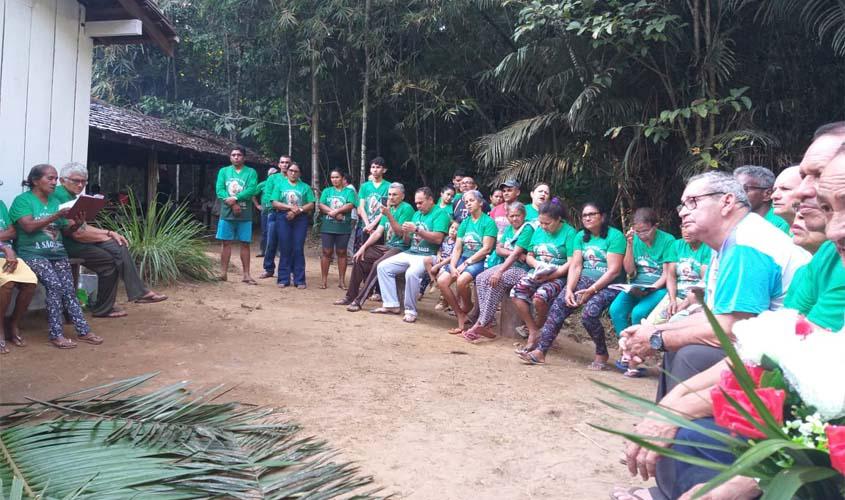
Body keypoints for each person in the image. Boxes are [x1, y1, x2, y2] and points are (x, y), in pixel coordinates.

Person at [621, 172, 810, 399]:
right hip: (765, 345)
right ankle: (668, 416)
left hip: (793, 359)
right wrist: (655, 331)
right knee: (676, 348)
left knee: (691, 355)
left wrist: (656, 339)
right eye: (682, 205)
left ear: (727, 202)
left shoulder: (747, 245)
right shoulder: (728, 243)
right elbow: (713, 315)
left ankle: (678, 418)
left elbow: (734, 329)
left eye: (693, 202)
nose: (682, 212)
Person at [516, 202, 625, 368]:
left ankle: (601, 353)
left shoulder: (615, 236)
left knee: (589, 314)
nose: (587, 218)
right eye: (584, 215)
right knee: (558, 306)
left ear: (602, 216)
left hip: (610, 285)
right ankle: (540, 352)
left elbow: (614, 271)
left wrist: (592, 290)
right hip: (585, 280)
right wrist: (568, 289)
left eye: (592, 214)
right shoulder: (581, 236)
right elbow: (576, 266)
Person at [53, 163, 167, 318]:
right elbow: (77, 234)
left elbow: (83, 227)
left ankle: (108, 307)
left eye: (84, 181)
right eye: (76, 181)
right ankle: (135, 294)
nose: (80, 185)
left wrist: (109, 232)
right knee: (114, 251)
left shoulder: (71, 195)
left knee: (114, 250)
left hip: (76, 241)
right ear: (62, 180)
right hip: (65, 244)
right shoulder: (60, 196)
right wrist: (106, 235)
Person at [10, 164, 103, 349]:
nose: (54, 182)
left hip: (57, 252)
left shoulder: (55, 201)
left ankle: (83, 331)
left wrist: (77, 224)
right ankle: (56, 335)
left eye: (55, 178)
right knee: (55, 285)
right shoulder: (23, 200)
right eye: (50, 178)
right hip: (32, 253)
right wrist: (55, 216)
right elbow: (28, 227)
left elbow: (66, 230)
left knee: (69, 289)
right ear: (35, 181)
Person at [781, 123, 845, 332]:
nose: (800, 191)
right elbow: (786, 331)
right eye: (803, 176)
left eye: (820, 174)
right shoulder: (827, 251)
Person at [374, 187, 450, 323]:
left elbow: (438, 239)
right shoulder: (416, 214)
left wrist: (416, 229)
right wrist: (405, 232)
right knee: (383, 266)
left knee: (411, 273)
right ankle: (391, 304)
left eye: (421, 203)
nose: (418, 206)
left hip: (429, 256)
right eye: (416, 203)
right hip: (411, 252)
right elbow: (408, 241)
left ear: (430, 200)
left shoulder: (441, 214)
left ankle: (410, 311)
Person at [509, 199, 577, 349]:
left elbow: (572, 262)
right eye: (541, 223)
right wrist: (537, 265)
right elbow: (530, 255)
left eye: (547, 223)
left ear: (558, 219)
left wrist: (553, 274)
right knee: (516, 292)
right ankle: (533, 330)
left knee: (540, 297)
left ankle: (541, 327)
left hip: (559, 275)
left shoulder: (569, 232)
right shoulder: (539, 230)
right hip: (538, 271)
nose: (544, 227)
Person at [463, 202, 535, 342]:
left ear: (524, 215)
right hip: (509, 265)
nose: (514, 219)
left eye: (518, 215)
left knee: (496, 281)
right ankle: (486, 320)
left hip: (522, 269)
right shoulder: (509, 229)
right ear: (507, 217)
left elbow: (516, 254)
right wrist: (512, 253)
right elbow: (499, 249)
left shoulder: (527, 229)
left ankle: (481, 324)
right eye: (511, 216)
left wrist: (500, 271)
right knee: (481, 278)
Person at [335, 183, 414, 311]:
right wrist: (363, 247)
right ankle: (350, 296)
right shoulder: (389, 208)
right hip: (388, 247)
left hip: (401, 248)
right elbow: (378, 232)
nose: (391, 197)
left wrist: (388, 215)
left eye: (395, 195)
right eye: (389, 194)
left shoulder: (407, 209)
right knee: (359, 257)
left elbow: (400, 233)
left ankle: (359, 301)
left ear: (402, 196)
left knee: (378, 264)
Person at [436, 190, 497, 333]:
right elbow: (457, 248)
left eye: (471, 201)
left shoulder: (488, 222)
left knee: (461, 280)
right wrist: (452, 266)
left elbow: (486, 249)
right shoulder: (465, 222)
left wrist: (466, 263)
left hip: (481, 260)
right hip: (464, 257)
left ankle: (467, 305)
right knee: (442, 281)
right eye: (466, 202)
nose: (468, 204)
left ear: (480, 203)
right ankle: (460, 314)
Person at [608, 208, 675, 335]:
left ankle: (639, 345)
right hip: (637, 285)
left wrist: (651, 289)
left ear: (655, 226)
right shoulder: (634, 239)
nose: (642, 235)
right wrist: (629, 245)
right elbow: (629, 271)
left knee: (638, 313)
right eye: (638, 231)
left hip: (659, 287)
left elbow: (667, 274)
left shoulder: (668, 240)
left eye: (645, 231)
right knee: (615, 309)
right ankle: (625, 343)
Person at [645, 225, 711, 325]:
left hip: (697, 298)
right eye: (683, 227)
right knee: (651, 323)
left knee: (674, 322)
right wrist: (672, 300)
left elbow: (704, 283)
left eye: (689, 227)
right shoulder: (677, 245)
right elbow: (671, 276)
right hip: (677, 294)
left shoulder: (708, 248)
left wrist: (683, 305)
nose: (686, 231)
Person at [215, 147, 259, 284]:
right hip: (226, 213)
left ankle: (246, 275)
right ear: (230, 157)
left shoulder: (251, 172)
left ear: (244, 157)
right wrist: (233, 204)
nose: (236, 157)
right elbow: (220, 190)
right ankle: (223, 273)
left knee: (245, 243)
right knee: (225, 243)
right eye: (233, 155)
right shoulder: (224, 171)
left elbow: (251, 189)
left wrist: (235, 198)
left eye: (239, 155)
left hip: (245, 214)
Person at [0, 198, 38, 354]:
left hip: (10, 256)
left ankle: (14, 324)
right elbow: (7, 234)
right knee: (7, 282)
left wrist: (8, 250)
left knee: (30, 282)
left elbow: (12, 232)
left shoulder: (1, 204)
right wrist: (5, 247)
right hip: (6, 253)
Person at [271, 162, 315, 288]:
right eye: (291, 170)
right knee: (285, 247)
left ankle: (299, 279)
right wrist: (290, 208)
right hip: (283, 217)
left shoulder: (305, 187)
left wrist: (298, 211)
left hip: (300, 219)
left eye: (296, 171)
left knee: (298, 248)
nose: (293, 173)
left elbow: (311, 204)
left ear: (300, 173)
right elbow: (274, 202)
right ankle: (283, 278)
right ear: (287, 172)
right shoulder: (280, 185)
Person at [318, 169, 358, 289]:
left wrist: (336, 211)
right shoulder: (327, 191)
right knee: (326, 252)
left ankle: (341, 281)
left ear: (342, 178)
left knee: (342, 252)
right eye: (332, 177)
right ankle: (324, 280)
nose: (334, 180)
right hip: (328, 226)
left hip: (343, 227)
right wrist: (334, 213)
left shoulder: (349, 191)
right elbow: (321, 205)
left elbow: (350, 205)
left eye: (337, 177)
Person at [734, 165, 791, 234]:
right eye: (734, 188)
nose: (735, 194)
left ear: (767, 194)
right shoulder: (737, 219)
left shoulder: (783, 222)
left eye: (743, 189)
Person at [260, 156, 291, 278]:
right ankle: (268, 269)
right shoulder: (272, 178)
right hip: (274, 213)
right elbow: (267, 196)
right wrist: (276, 205)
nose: (285, 165)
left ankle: (286, 270)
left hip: (289, 215)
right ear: (279, 165)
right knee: (271, 242)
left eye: (287, 162)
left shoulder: (295, 178)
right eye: (282, 162)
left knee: (287, 243)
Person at [427, 221, 459, 312]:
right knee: (427, 260)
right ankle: (434, 281)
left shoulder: (457, 242)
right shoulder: (446, 239)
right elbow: (440, 250)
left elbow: (452, 257)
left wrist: (438, 265)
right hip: (441, 259)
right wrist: (438, 256)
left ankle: (443, 300)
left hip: (449, 262)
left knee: (441, 272)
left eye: (456, 229)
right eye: (452, 228)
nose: (453, 230)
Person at [358, 157, 391, 237]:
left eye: (378, 167)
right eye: (373, 167)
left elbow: (387, 208)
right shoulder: (364, 186)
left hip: (381, 226)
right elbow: (361, 207)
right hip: (365, 225)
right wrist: (367, 225)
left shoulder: (389, 186)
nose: (375, 170)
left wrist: (373, 224)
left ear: (384, 170)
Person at [253, 166, 280, 258]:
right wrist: (257, 205)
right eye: (271, 174)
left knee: (278, 231)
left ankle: (277, 251)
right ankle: (263, 251)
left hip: (277, 210)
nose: (273, 176)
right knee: (265, 231)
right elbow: (253, 195)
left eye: (275, 174)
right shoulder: (262, 184)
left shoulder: (280, 184)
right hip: (265, 210)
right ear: (268, 175)